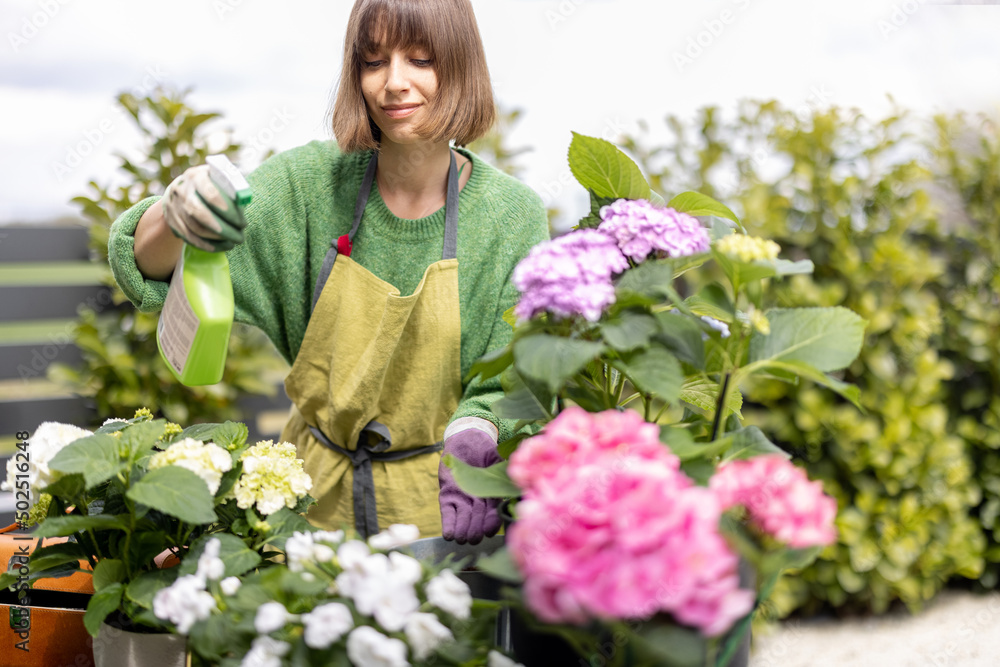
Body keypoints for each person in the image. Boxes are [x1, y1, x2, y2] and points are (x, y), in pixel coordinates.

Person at [107, 0, 549, 545]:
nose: (394, 84)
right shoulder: (308, 186)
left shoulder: (511, 215)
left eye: (421, 59)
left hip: (443, 511)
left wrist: (479, 432)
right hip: (306, 502)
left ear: (460, 67)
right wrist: (178, 210)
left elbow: (514, 380)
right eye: (373, 61)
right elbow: (149, 267)